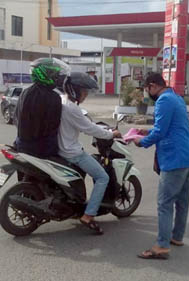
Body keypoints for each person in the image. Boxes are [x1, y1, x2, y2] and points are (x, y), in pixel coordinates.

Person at [134, 73, 189, 259]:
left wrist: (142, 141)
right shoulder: (176, 97)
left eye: (147, 89)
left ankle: (162, 246)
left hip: (175, 159)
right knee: (182, 201)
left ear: (153, 86)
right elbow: (172, 126)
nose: (147, 93)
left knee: (164, 203)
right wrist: (146, 132)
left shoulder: (163, 100)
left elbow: (160, 131)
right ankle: (177, 236)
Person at [58, 72, 122, 235]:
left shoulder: (62, 101)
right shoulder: (73, 109)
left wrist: (105, 130)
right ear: (74, 90)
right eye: (83, 91)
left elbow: (87, 125)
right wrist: (111, 134)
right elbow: (89, 129)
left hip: (59, 149)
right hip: (72, 152)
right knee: (103, 177)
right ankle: (88, 215)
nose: (85, 94)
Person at [14, 58, 70, 158]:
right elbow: (53, 127)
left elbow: (16, 118)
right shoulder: (53, 97)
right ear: (46, 75)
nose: (58, 77)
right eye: (55, 74)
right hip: (42, 150)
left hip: (21, 145)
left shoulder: (25, 92)